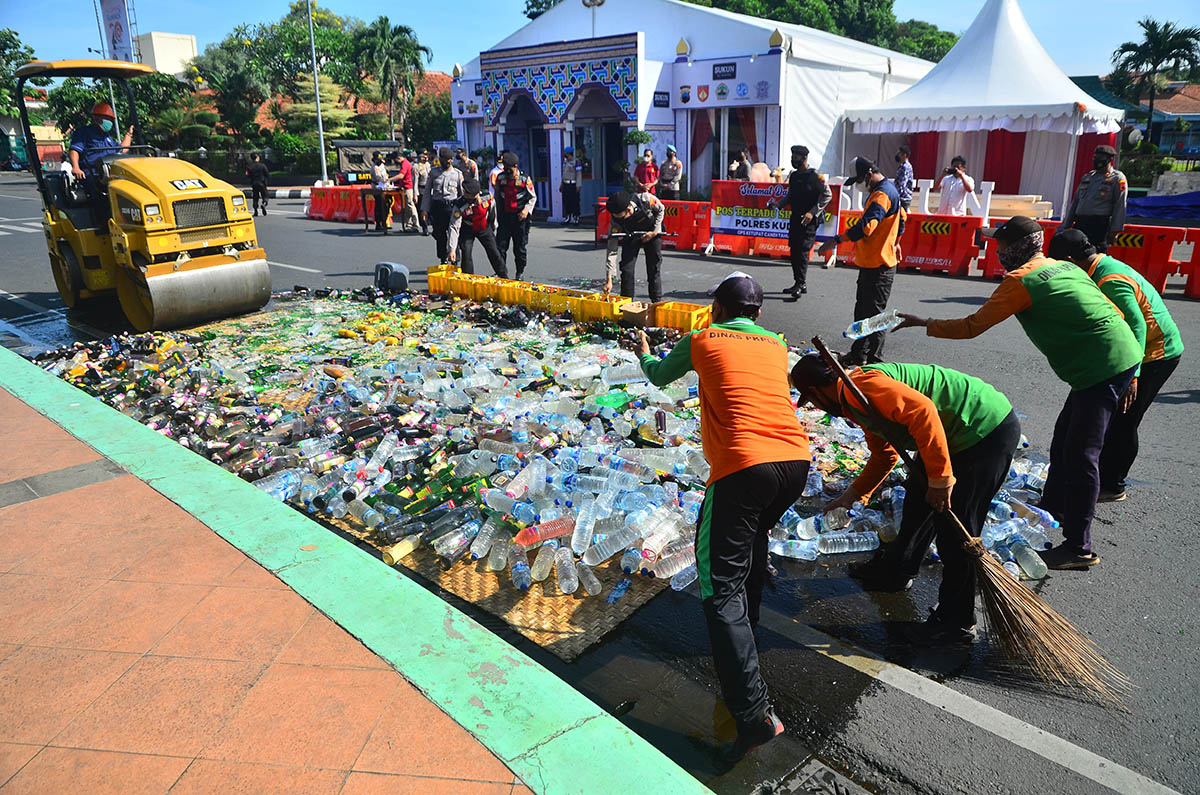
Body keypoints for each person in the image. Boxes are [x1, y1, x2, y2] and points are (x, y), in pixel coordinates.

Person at [895, 216, 1142, 570]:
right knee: (1064, 440)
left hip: (1101, 369)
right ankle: (1055, 510)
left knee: (1082, 456)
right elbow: (1109, 309)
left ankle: (1079, 547)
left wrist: (923, 323)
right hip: (1117, 356)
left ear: (1015, 248)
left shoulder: (1020, 280)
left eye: (1000, 245)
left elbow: (972, 327)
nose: (996, 251)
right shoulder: (1059, 267)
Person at [637, 271, 810, 762]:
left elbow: (656, 376)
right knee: (753, 543)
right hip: (795, 464)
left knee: (718, 588)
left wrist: (644, 347)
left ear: (716, 307)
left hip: (741, 467)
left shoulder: (702, 337)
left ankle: (754, 718)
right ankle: (748, 632)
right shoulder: (777, 345)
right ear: (758, 313)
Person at [791, 357, 1021, 642]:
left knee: (955, 531)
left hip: (983, 430)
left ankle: (956, 621)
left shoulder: (860, 388)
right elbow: (884, 454)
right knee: (917, 501)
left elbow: (923, 411)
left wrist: (940, 479)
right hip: (948, 433)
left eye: (812, 401)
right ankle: (896, 571)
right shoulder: (854, 399)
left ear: (816, 392)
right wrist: (851, 496)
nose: (815, 406)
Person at [1047, 228, 1183, 502]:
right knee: (1107, 416)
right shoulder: (1095, 269)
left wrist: (1133, 377)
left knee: (1124, 418)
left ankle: (1113, 484)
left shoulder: (1109, 279)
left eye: (1060, 264)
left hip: (1155, 354)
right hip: (1129, 353)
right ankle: (1094, 477)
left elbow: (1137, 327)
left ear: (1071, 260)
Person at [817, 157, 902, 365]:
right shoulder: (887, 189)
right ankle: (858, 354)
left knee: (873, 317)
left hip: (879, 266)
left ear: (869, 174)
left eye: (858, 180)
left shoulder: (881, 194)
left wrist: (835, 241)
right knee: (863, 313)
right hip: (873, 263)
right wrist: (896, 242)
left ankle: (875, 363)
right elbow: (902, 220)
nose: (857, 185)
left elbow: (867, 227)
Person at [769, 145, 830, 297]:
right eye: (792, 157)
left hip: (809, 220)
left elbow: (827, 195)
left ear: (804, 158)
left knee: (802, 251)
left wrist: (813, 212)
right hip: (795, 217)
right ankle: (798, 282)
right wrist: (778, 204)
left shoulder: (816, 175)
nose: (793, 160)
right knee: (794, 250)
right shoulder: (794, 175)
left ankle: (800, 283)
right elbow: (790, 196)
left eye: (796, 157)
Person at [1059, 145, 1127, 252]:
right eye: (1095, 157)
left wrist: (1115, 230)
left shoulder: (1117, 178)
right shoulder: (1087, 177)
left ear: (1110, 159)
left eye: (1100, 157)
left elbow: (1120, 205)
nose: (1096, 160)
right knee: (1076, 253)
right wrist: (1065, 225)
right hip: (1081, 223)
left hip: (1099, 225)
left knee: (1094, 256)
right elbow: (1076, 203)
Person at [605, 190, 664, 302]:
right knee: (627, 269)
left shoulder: (645, 199)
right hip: (631, 235)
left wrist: (655, 231)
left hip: (652, 231)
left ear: (628, 209)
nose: (617, 219)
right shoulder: (615, 219)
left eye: (620, 217)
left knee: (653, 268)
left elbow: (661, 209)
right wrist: (609, 279)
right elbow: (611, 249)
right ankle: (626, 302)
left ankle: (656, 301)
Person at [450, 177, 507, 278]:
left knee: (494, 251)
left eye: (469, 194)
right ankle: (468, 279)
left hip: (483, 227)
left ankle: (503, 276)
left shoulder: (487, 196)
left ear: (476, 194)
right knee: (466, 253)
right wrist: (452, 249)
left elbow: (493, 212)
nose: (465, 195)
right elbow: (454, 227)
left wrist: (493, 228)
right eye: (465, 193)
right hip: (467, 228)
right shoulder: (459, 204)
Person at [493, 152, 537, 281]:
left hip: (520, 218)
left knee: (519, 247)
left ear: (515, 166)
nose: (506, 169)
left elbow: (532, 197)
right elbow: (497, 197)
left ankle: (520, 272)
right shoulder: (500, 178)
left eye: (509, 166)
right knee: (500, 246)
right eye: (504, 165)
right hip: (505, 217)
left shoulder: (524, 179)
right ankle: (501, 273)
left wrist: (526, 210)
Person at [420, 147, 464, 264]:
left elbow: (462, 194)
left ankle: (455, 259)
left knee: (454, 233)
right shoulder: (433, 173)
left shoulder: (457, 174)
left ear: (452, 160)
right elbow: (427, 193)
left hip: (452, 207)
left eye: (448, 160)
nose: (446, 162)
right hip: (437, 207)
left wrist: (463, 210)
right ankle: (443, 258)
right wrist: (425, 209)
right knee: (439, 234)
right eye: (443, 160)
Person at [894, 145, 914, 242]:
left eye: (899, 153)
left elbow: (901, 183)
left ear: (904, 155)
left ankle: (899, 240)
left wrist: (896, 196)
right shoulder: (905, 166)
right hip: (904, 197)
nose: (897, 155)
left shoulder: (904, 167)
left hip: (902, 198)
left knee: (900, 220)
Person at [560, 146, 582, 225]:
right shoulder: (565, 162)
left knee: (575, 202)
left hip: (573, 184)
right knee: (566, 201)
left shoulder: (577, 162)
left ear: (569, 153)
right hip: (566, 184)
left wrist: (578, 185)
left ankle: (576, 218)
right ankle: (568, 217)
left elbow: (579, 174)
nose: (564, 155)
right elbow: (564, 174)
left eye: (565, 153)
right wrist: (561, 184)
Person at [413, 151, 432, 235]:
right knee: (423, 209)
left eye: (426, 156)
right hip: (421, 190)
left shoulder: (428, 165)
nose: (425, 158)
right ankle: (424, 227)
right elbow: (415, 182)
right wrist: (415, 194)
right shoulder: (416, 167)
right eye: (423, 157)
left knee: (432, 209)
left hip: (430, 190)